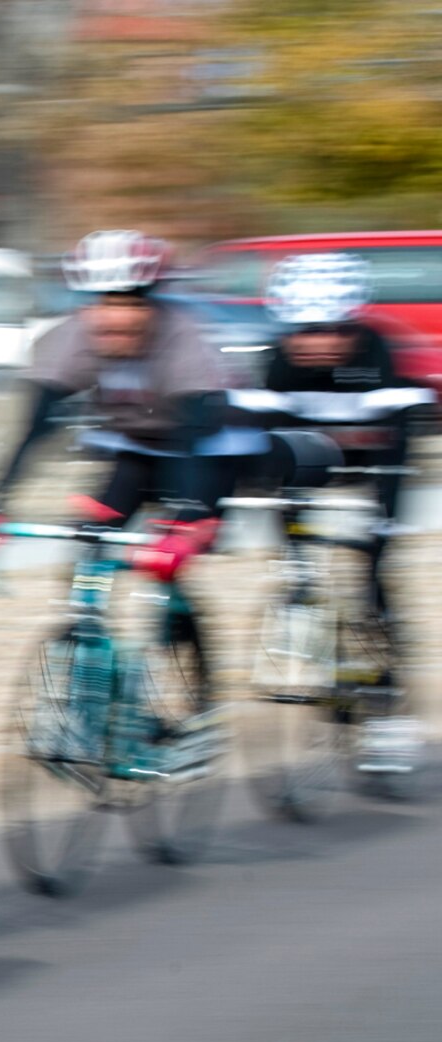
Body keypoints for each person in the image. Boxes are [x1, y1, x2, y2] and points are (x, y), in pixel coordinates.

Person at [0, 229, 233, 724]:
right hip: (132, 454)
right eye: (102, 302)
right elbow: (33, 430)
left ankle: (190, 683)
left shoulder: (182, 338)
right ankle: (89, 671)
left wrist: (189, 517)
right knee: (89, 543)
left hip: (203, 453)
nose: (115, 317)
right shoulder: (74, 337)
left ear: (152, 306)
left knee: (163, 563)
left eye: (131, 303)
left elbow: (195, 437)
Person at [233, 251, 432, 772]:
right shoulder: (276, 360)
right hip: (313, 459)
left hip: (375, 461)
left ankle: (386, 705)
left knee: (372, 573)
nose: (317, 343)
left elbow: (403, 444)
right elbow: (265, 450)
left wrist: (382, 519)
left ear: (353, 323)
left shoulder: (379, 352)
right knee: (296, 544)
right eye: (302, 331)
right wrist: (286, 536)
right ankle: (307, 616)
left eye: (332, 330)